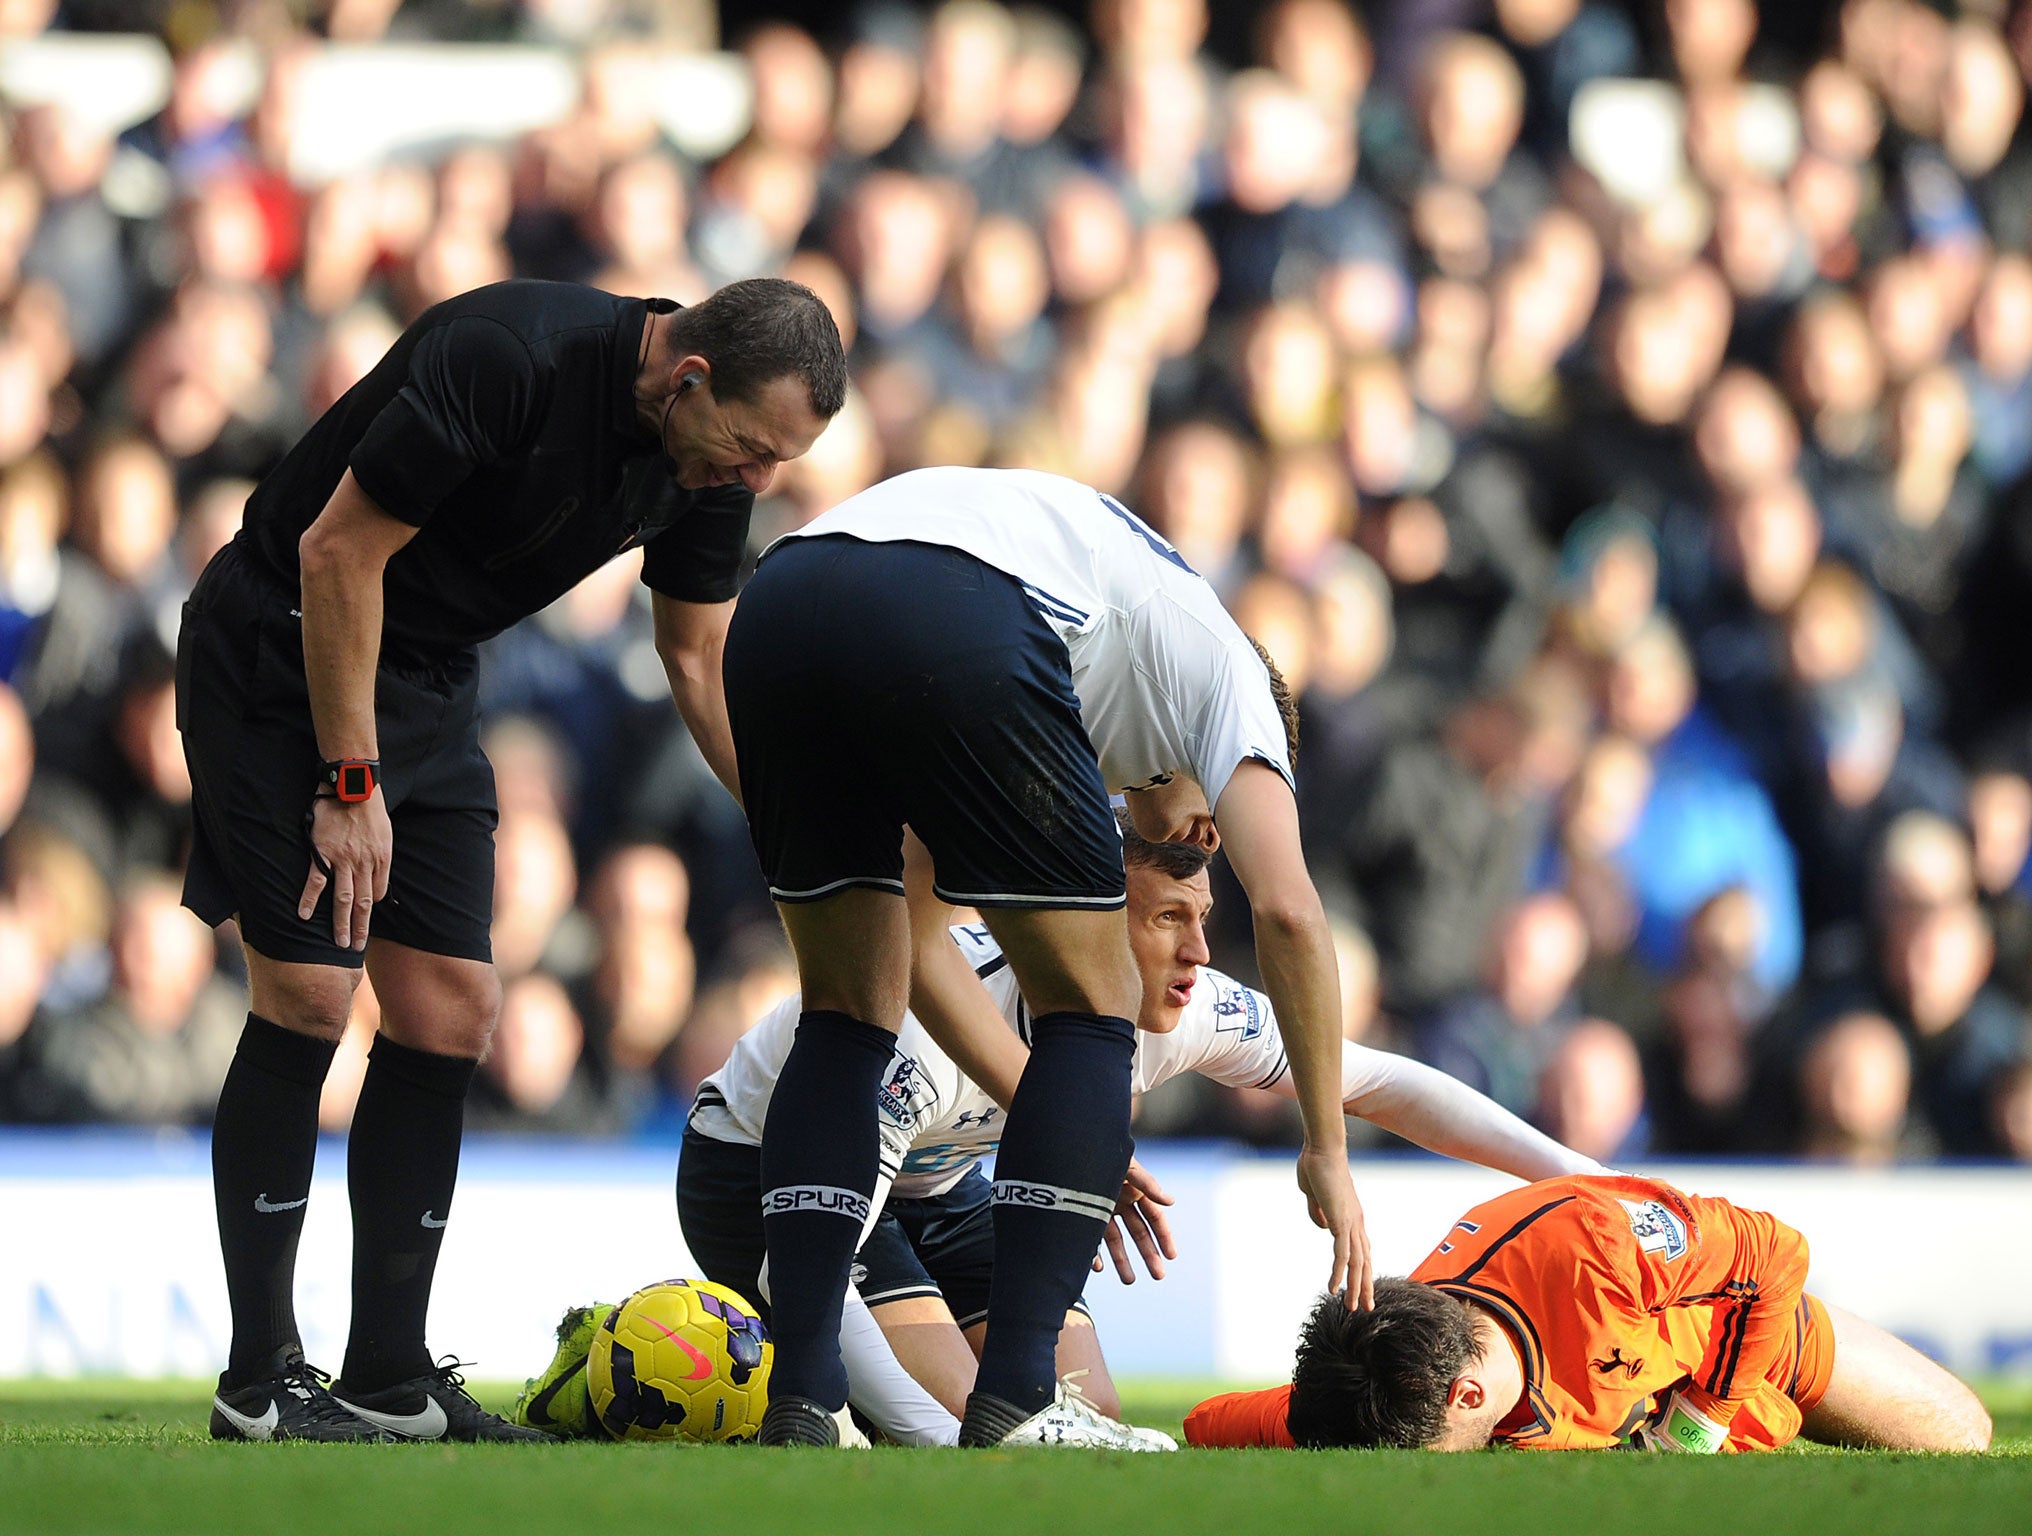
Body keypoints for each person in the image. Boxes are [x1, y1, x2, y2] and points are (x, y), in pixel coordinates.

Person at [178, 277, 844, 1442]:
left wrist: (788, 828)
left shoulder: (704, 460)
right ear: (688, 378)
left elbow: (694, 656)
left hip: (427, 675)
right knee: (310, 993)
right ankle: (259, 1380)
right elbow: (336, 555)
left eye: (777, 462)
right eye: (749, 449)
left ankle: (386, 1372)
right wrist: (349, 783)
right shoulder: (509, 355)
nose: (755, 483)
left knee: (449, 1010)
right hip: (287, 648)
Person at [720, 465, 1370, 1449]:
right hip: (950, 597)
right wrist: (1323, 1146)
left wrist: (1034, 1098)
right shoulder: (1232, 689)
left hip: (780, 597)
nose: (1199, 843)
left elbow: (921, 928)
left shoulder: (1105, 675)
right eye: (1207, 823)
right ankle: (1021, 1402)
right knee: (1094, 997)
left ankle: (802, 1396)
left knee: (847, 1008)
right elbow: (1288, 912)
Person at [638, 816, 1602, 1445]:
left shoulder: (1188, 1010)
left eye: (1204, 916)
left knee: (1081, 1423)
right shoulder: (920, 1035)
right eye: (1169, 919)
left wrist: (1579, 1174)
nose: (1200, 951)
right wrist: (931, 1435)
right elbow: (828, 1261)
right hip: (763, 1174)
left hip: (939, 1184)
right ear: (1088, 928)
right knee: (946, 1424)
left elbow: (1377, 1082)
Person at [1184, 1173, 1992, 1453]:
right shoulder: (1381, 1383)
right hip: (1647, 1402)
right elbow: (1212, 1420)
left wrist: (1704, 1417)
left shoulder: (1597, 1250)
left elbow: (1775, 1253)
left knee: (1963, 1436)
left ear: (1469, 1399)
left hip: (1745, 1342)